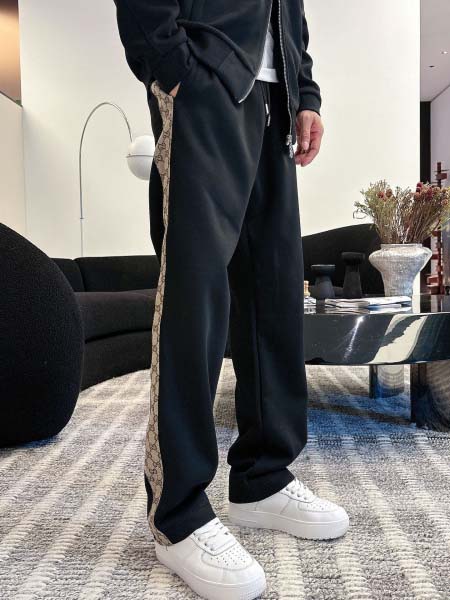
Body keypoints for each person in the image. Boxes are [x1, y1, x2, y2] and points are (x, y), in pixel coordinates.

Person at [113, 1, 349, 598]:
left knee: (275, 289)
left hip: (275, 95)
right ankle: (178, 511)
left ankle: (263, 478)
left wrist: (305, 91)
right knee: (194, 296)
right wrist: (171, 64)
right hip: (205, 73)